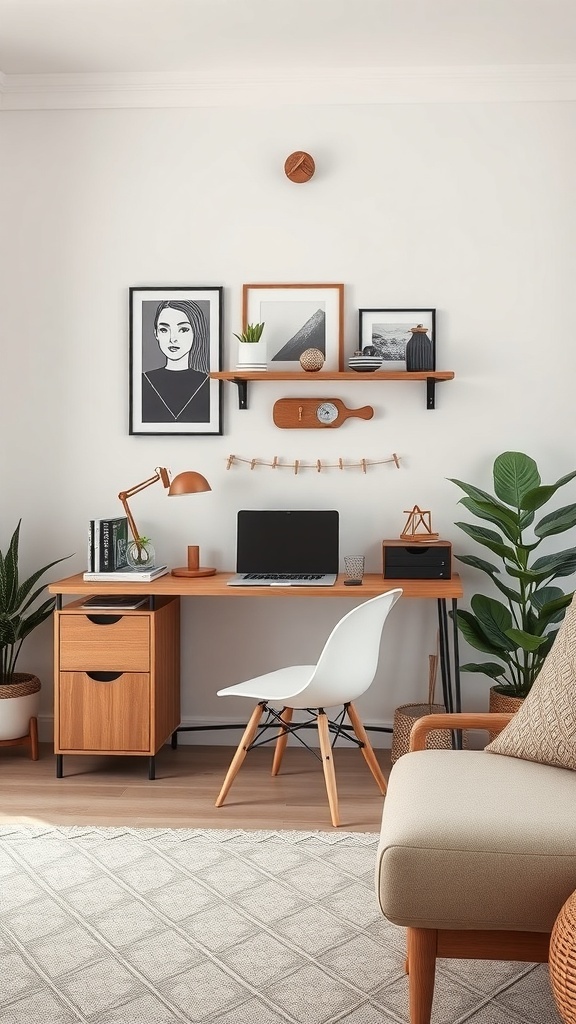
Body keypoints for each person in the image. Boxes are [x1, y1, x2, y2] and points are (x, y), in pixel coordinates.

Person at [142, 300, 210, 423]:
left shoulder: (209, 381)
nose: (173, 339)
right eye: (164, 330)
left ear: (196, 332)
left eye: (183, 329)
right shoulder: (143, 381)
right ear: (155, 333)